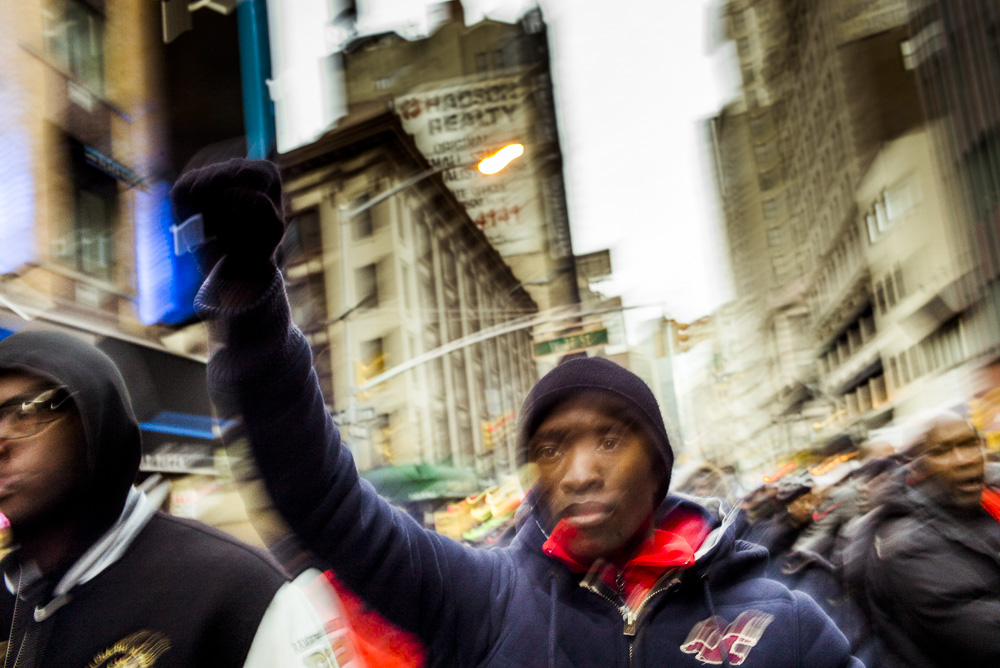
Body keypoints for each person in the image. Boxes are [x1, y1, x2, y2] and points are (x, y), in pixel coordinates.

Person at [176, 158, 861, 667]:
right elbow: (321, 499)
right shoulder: (484, 598)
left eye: (610, 439)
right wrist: (250, 298)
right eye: (551, 447)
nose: (580, 471)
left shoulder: (782, 623)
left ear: (658, 462)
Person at [0, 330, 355, 667]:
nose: (2, 440)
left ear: (95, 420)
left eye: (27, 412)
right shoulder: (11, 593)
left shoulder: (242, 593)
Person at [842, 415, 1000, 666]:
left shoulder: (986, 503)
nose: (964, 460)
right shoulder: (905, 547)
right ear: (919, 468)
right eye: (943, 451)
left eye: (969, 444)